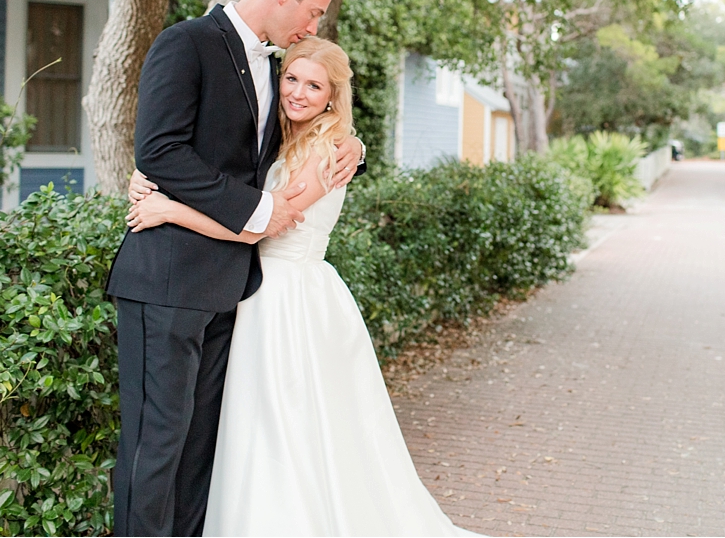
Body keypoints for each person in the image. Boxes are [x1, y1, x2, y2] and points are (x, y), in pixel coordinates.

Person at [127, 37, 472, 536]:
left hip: (290, 298)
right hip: (255, 292)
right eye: (292, 78)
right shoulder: (283, 140)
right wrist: (148, 174)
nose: (299, 92)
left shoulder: (330, 152)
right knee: (256, 424)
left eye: (315, 86)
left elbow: (260, 225)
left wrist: (169, 210)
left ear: (333, 96)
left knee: (289, 423)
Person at [106, 0, 365, 537]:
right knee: (156, 443)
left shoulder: (273, 68)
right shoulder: (188, 43)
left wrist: (356, 148)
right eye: (314, 11)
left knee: (200, 450)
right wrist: (259, 210)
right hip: (168, 279)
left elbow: (289, 144)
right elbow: (159, 151)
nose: (313, 25)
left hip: (230, 288)